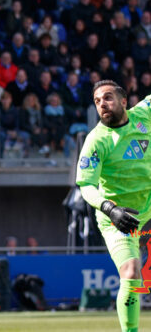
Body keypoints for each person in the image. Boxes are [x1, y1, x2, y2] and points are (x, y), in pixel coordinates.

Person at [75, 80, 151, 332]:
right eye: (97, 101)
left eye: (107, 98)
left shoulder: (144, 113)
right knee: (131, 272)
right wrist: (109, 209)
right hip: (118, 217)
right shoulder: (96, 140)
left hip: (148, 204)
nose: (102, 104)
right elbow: (86, 185)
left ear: (123, 101)